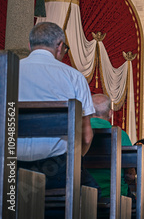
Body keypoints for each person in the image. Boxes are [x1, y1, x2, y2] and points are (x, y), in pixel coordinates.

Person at [17, 22, 96, 191]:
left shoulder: (7, 70)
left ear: (30, 45)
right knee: (93, 193)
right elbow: (87, 136)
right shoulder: (74, 77)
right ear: (60, 46)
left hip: (10, 168)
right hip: (55, 170)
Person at [87, 93, 135, 201]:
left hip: (82, 194)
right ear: (110, 113)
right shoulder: (121, 135)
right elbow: (130, 176)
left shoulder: (78, 132)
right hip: (115, 195)